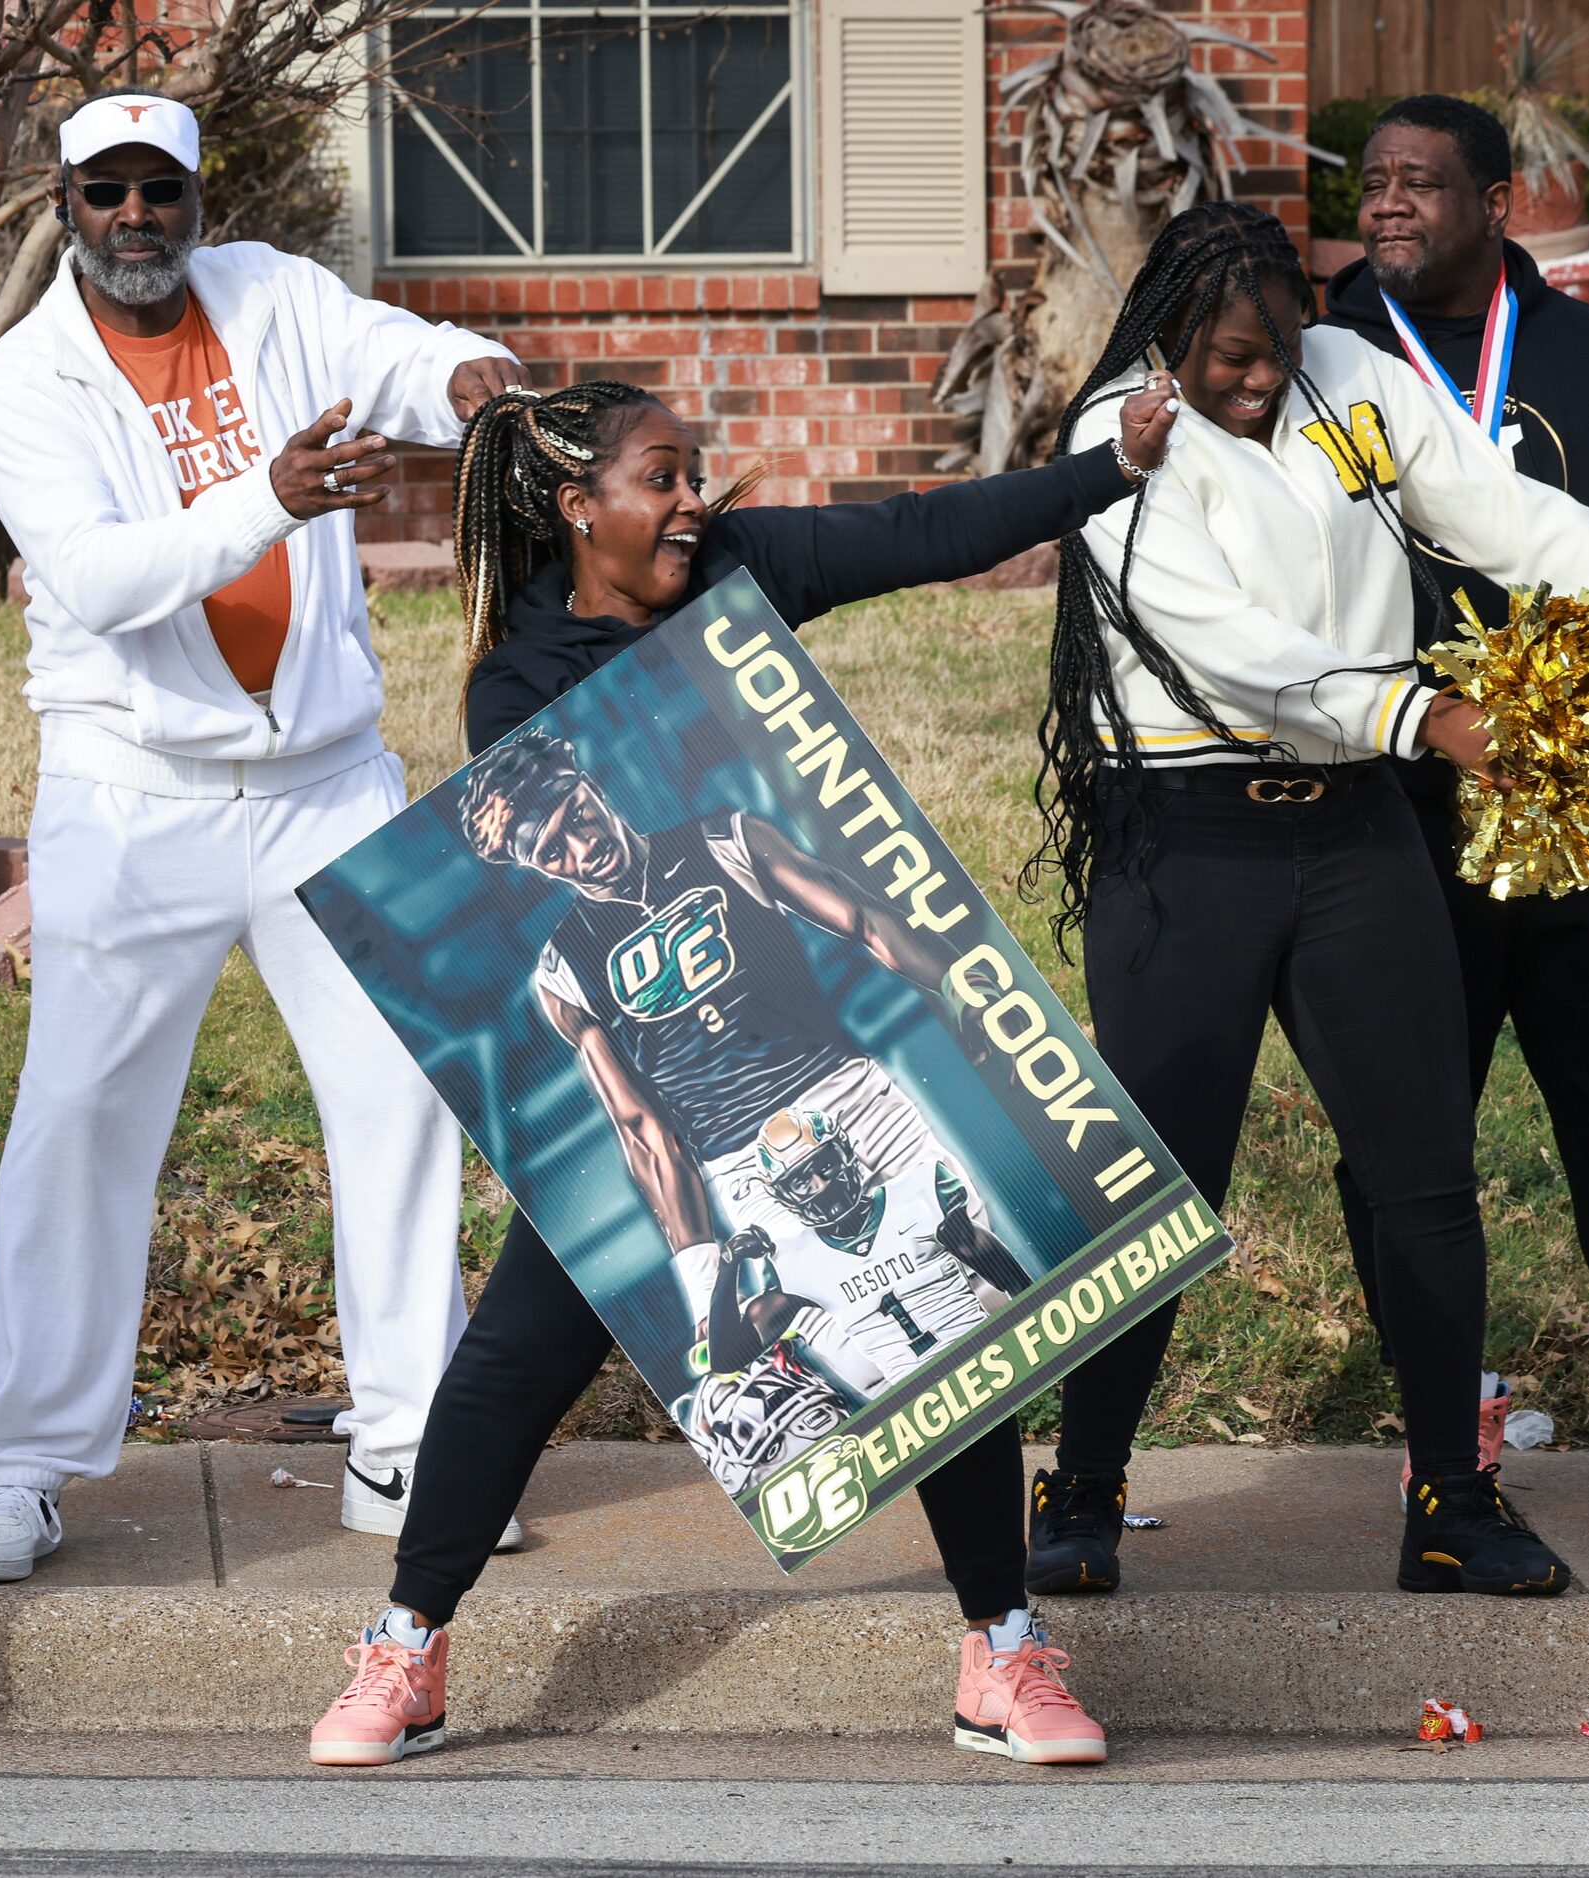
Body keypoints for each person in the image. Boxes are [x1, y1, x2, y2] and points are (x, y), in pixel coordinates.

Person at [306, 374, 1178, 1770]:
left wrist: (1102, 472)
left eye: (693, 471)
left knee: (940, 1332)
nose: (692, 500)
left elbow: (920, 528)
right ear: (575, 506)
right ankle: (406, 1646)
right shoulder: (515, 686)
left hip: (830, 1086)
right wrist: (700, 1258)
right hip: (694, 1130)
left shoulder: (735, 571)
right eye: (660, 477)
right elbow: (605, 976)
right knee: (513, 1358)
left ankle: (1001, 1658)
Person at [0, 88, 521, 1579]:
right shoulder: (24, 378)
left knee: (400, 1101)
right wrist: (262, 497)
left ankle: (405, 1446)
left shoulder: (270, 293)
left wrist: (467, 378)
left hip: (327, 781)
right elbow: (94, 576)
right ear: (60, 206)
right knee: (80, 1118)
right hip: (132, 797)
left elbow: (390, 353)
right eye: (104, 193)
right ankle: (21, 1464)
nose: (135, 217)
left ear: (196, 198)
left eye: (159, 190)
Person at [1025, 200, 1582, 1602]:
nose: (1259, 376)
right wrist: (1422, 712)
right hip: (1186, 836)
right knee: (1157, 1180)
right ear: (1167, 331)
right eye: (1229, 356)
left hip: (1355, 836)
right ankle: (1082, 1489)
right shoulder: (1122, 432)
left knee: (1426, 1178)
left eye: (1276, 344)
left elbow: (1495, 509)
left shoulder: (1344, 371)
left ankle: (1449, 1504)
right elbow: (1235, 651)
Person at [1323, 94, 1589, 1475]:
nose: (1384, 207)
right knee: (1398, 1138)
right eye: (1370, 183)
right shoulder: (1319, 364)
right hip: (1398, 813)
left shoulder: (1575, 352)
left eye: (1418, 184)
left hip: (1574, 818)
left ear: (1495, 201)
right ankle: (1453, 1405)